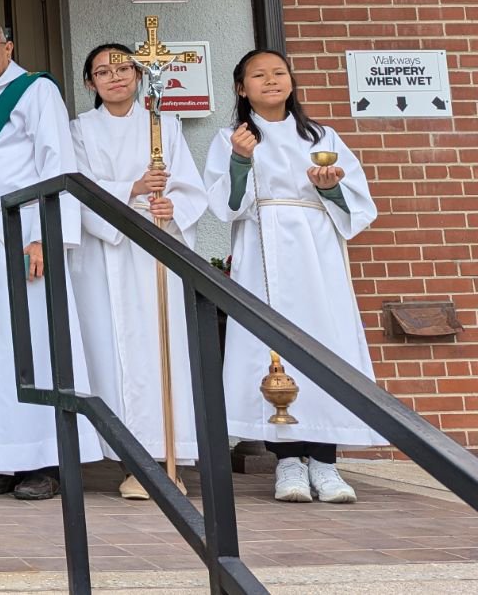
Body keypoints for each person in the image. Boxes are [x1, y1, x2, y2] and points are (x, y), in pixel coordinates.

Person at [206, 49, 384, 504]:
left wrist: (330, 188)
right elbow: (226, 205)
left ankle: (325, 463)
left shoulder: (322, 135)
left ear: (291, 81)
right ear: (241, 88)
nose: (271, 81)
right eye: (258, 75)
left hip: (316, 250)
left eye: (279, 73)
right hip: (263, 248)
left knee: (325, 344)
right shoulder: (233, 137)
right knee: (270, 348)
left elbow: (358, 206)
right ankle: (286, 461)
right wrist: (241, 161)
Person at [0, 18, 101, 500]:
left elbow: (56, 165)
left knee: (35, 344)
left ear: (9, 46)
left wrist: (44, 238)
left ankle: (45, 461)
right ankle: (1, 457)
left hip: (22, 234)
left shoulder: (36, 92)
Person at [69, 43, 207, 500]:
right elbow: (77, 190)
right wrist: (131, 187)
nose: (115, 77)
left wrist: (172, 206)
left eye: (123, 67)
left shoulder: (163, 126)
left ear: (138, 74)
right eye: (103, 71)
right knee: (111, 351)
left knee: (160, 350)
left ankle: (170, 461)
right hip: (105, 255)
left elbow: (190, 188)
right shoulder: (79, 130)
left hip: (153, 253)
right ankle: (130, 460)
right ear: (90, 82)